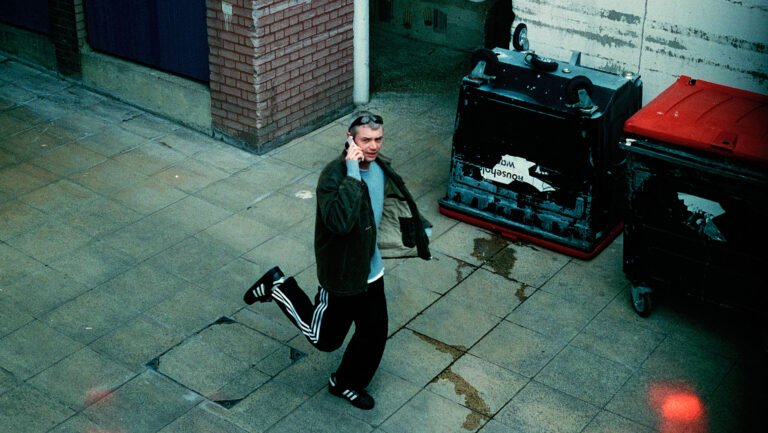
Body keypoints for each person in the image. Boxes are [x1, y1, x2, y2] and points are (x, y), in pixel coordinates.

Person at [243, 112, 432, 410]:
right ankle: (277, 286)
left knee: (373, 333)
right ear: (350, 138)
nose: (373, 146)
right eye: (366, 140)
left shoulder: (382, 166)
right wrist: (353, 173)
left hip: (371, 273)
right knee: (325, 339)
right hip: (342, 275)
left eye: (378, 139)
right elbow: (340, 222)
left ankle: (345, 382)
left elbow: (393, 201)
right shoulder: (333, 177)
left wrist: (417, 230)